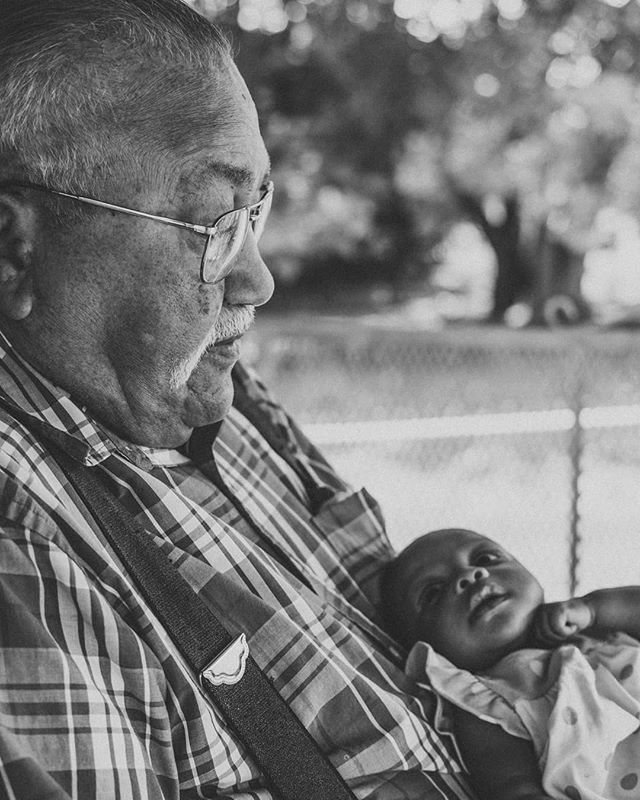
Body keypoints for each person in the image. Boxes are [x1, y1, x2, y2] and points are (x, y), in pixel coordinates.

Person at [0, 1, 479, 798]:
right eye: (215, 224)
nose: (260, 280)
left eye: (256, 211)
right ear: (13, 249)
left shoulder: (223, 397)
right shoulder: (22, 544)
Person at [381, 528, 640, 800]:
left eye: (486, 558)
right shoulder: (483, 702)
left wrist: (593, 609)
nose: (470, 575)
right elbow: (515, 789)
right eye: (433, 592)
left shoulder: (593, 630)